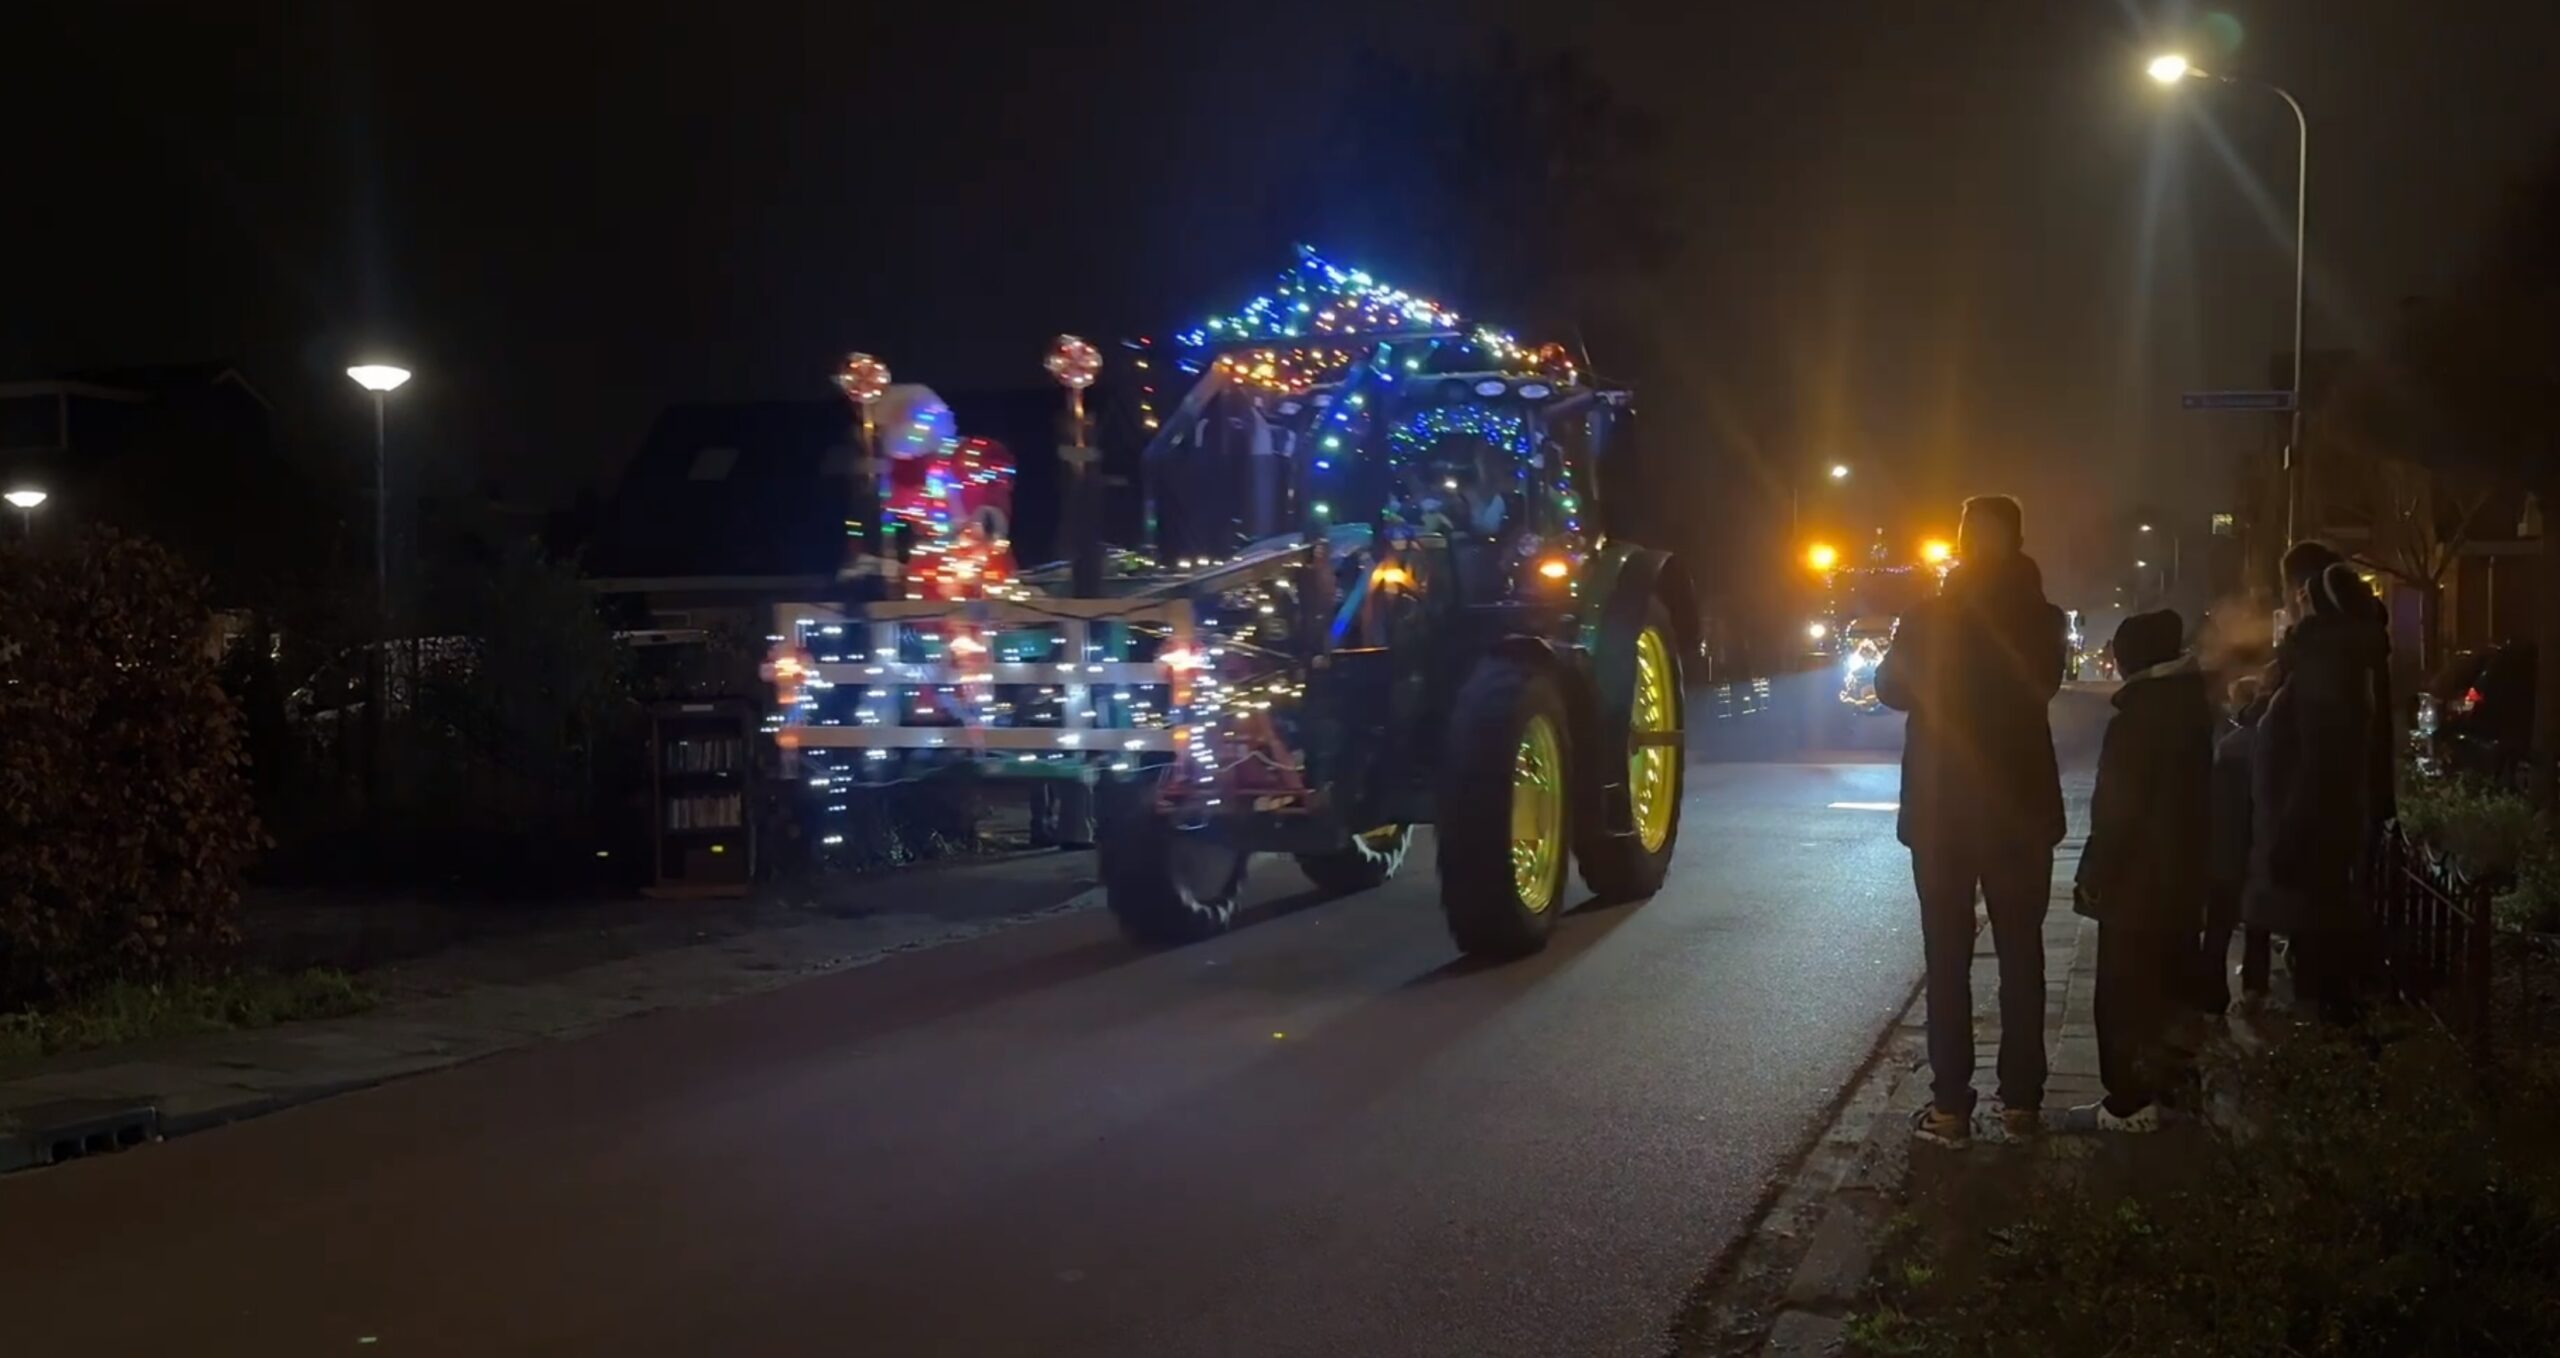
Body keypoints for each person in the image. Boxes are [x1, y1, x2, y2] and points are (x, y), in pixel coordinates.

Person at [1876, 495, 2068, 1148]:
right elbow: (2043, 685)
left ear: (1961, 543)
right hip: (2019, 809)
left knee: (1948, 956)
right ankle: (2022, 1103)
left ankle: (1951, 1108)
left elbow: (1890, 690)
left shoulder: (1929, 617)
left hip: (1941, 812)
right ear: (2017, 542)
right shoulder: (2044, 619)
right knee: (2023, 956)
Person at [2071, 610, 2214, 1132]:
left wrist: (2094, 872)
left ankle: (2129, 1104)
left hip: (2138, 884)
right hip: (2181, 880)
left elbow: (2117, 812)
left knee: (2125, 996)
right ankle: (2177, 1094)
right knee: (2174, 989)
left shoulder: (2138, 720)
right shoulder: (2191, 708)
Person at [2246, 547, 2392, 1023]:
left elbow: (2320, 761)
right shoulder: (2339, 657)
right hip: (2327, 831)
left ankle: (2323, 1061)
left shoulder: (2326, 662)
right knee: (2319, 956)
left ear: (2305, 595)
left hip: (2314, 840)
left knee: (2317, 967)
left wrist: (2289, 838)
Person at [2200, 673, 2271, 1009]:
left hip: (2230, 842)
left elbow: (2220, 802)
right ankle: (2255, 987)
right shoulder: (2275, 738)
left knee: (2220, 920)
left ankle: (2213, 991)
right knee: (2258, 920)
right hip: (2263, 839)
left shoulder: (2232, 745)